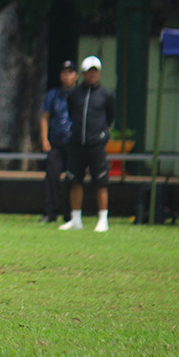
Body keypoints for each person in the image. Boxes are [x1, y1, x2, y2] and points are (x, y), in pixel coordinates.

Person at [60, 55, 115, 232]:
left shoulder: (106, 94)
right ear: (83, 73)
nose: (92, 75)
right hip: (77, 144)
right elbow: (71, 113)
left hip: (96, 145)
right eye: (89, 71)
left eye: (95, 71)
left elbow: (110, 117)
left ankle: (103, 220)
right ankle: (76, 219)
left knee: (100, 182)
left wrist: (101, 135)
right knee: (74, 181)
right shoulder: (75, 94)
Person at [38, 60, 77, 224]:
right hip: (56, 143)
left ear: (76, 75)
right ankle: (50, 212)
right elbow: (45, 117)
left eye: (70, 72)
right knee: (52, 177)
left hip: (74, 144)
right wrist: (44, 138)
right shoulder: (53, 94)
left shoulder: (80, 94)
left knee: (73, 179)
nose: (66, 76)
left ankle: (71, 214)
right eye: (64, 72)